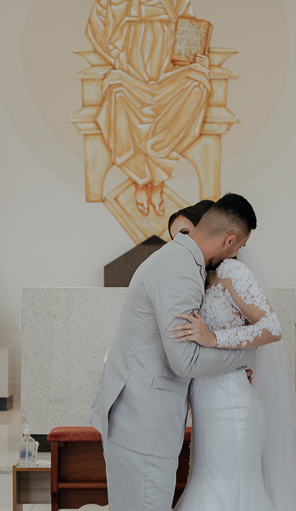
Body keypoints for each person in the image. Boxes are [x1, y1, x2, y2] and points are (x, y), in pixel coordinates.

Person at [88, 193, 258, 511]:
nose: (238, 254)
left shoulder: (176, 260)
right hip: (143, 426)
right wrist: (245, 356)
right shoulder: (180, 272)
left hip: (135, 419)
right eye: (240, 246)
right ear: (230, 239)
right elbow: (185, 361)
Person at [166, 205, 296, 511]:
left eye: (184, 234)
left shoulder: (232, 271)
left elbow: (272, 326)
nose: (180, 245)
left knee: (225, 490)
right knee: (208, 483)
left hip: (231, 405)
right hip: (206, 403)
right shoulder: (197, 277)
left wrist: (214, 338)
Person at [87, 0, 211, 217]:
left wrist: (197, 57)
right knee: (116, 93)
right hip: (133, 76)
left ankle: (156, 178)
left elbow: (191, 33)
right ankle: (143, 181)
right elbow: (103, 31)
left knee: (197, 86)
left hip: (169, 74)